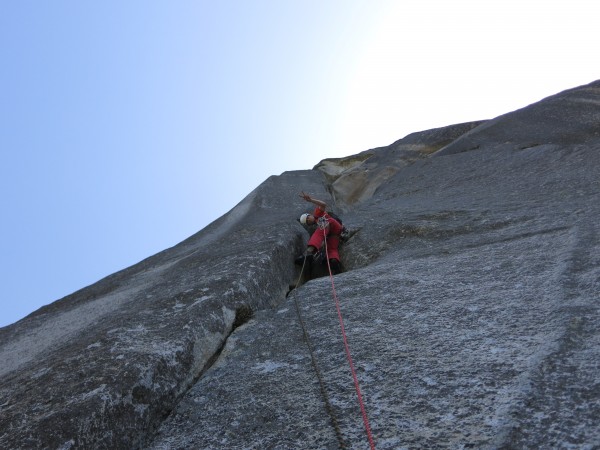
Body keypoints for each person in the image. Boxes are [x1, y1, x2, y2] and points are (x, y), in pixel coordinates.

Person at [295, 192, 343, 274]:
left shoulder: (317, 213)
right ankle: (335, 262)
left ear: (310, 215)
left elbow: (323, 204)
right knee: (331, 249)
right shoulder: (318, 224)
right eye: (307, 222)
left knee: (319, 230)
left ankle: (310, 251)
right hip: (335, 234)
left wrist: (311, 200)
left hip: (332, 224)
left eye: (308, 218)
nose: (309, 220)